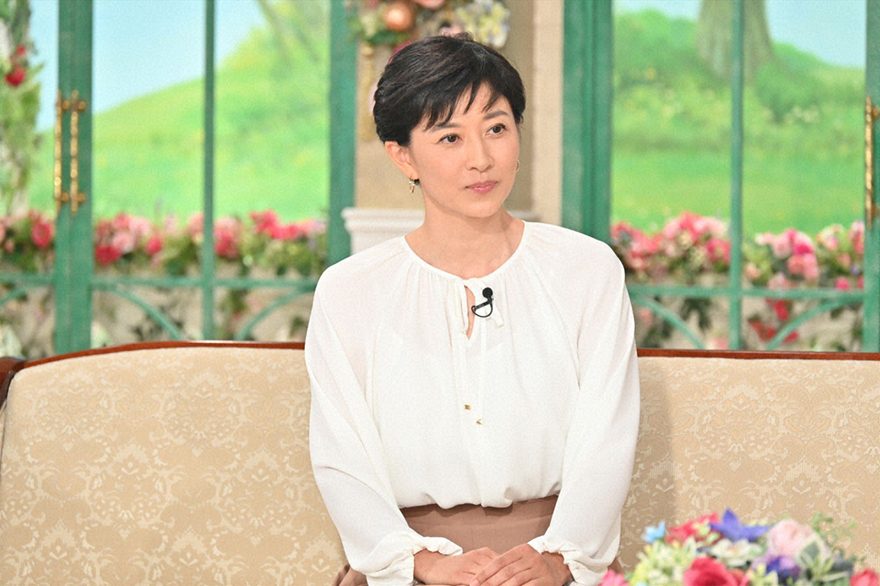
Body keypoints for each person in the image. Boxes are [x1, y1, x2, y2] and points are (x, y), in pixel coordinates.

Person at [306, 34, 640, 586]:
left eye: (497, 128)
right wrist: (423, 563)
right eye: (449, 137)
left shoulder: (586, 269)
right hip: (406, 569)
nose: (481, 158)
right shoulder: (350, 291)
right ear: (403, 156)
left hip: (556, 565)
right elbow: (342, 457)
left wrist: (559, 558)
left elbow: (608, 434)